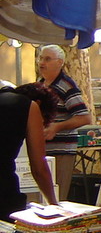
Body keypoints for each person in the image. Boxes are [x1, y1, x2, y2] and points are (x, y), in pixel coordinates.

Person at [0, 83, 59, 220]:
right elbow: (39, 168)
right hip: (4, 194)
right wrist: (53, 203)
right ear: (39, 104)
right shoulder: (29, 107)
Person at [36, 44, 93, 140]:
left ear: (60, 62)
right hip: (43, 149)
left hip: (61, 150)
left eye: (47, 59)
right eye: (40, 58)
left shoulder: (66, 86)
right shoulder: (39, 84)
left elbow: (84, 118)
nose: (42, 62)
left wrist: (57, 127)